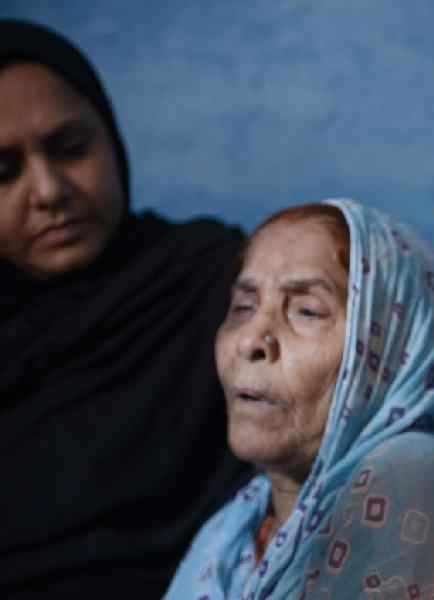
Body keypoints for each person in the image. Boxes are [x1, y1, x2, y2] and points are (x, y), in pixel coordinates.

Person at [0, 20, 251, 598]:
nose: (48, 190)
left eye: (70, 149)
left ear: (111, 140)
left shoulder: (213, 281)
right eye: (3, 172)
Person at [165, 200, 434, 599]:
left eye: (306, 311)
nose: (251, 340)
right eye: (242, 307)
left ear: (391, 350)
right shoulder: (235, 527)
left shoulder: (414, 474)